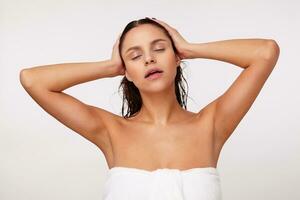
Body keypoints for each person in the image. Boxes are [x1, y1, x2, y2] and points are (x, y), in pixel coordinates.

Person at [20, 17, 280, 200]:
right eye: (134, 56)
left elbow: (266, 52)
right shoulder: (111, 130)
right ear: (127, 72)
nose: (149, 58)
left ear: (177, 57)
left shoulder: (210, 124)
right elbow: (33, 80)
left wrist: (190, 48)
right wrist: (110, 66)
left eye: (159, 48)